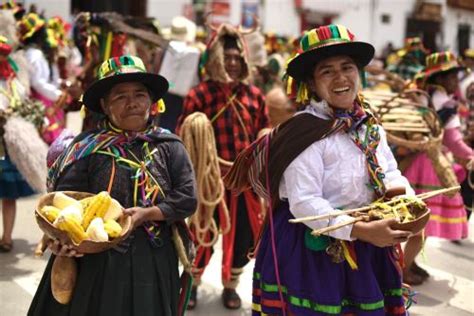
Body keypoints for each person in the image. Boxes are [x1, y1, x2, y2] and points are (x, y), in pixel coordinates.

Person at [225, 24, 414, 315]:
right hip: (314, 250)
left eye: (347, 67)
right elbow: (305, 202)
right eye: (327, 71)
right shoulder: (305, 132)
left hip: (368, 240)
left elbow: (388, 169)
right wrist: (363, 231)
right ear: (312, 84)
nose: (340, 77)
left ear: (358, 73)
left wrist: (407, 202)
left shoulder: (369, 125)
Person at [28, 55, 197, 316]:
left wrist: (147, 214)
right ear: (105, 106)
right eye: (120, 96)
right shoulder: (86, 149)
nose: (132, 103)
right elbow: (63, 202)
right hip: (96, 260)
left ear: (152, 102)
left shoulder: (169, 146)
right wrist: (62, 239)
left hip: (152, 259)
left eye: (140, 94)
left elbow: (187, 199)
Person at [177, 23, 269, 309]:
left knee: (244, 237)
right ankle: (191, 284)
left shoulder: (254, 95)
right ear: (215, 58)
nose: (231, 62)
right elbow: (185, 133)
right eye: (226, 57)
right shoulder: (200, 94)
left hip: (244, 183)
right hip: (210, 183)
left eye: (236, 58)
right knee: (202, 235)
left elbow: (263, 128)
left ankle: (231, 286)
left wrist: (265, 140)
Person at [402, 51, 472, 284]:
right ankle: (403, 270)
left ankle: (410, 263)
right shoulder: (447, 104)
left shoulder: (422, 96)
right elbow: (453, 141)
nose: (456, 81)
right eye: (451, 76)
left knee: (417, 223)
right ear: (440, 78)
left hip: (414, 162)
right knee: (421, 224)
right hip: (431, 165)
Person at [0, 35, 35, 252]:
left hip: (7, 143)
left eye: (3, 55)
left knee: (7, 194)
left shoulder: (14, 82)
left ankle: (7, 238)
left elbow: (23, 104)